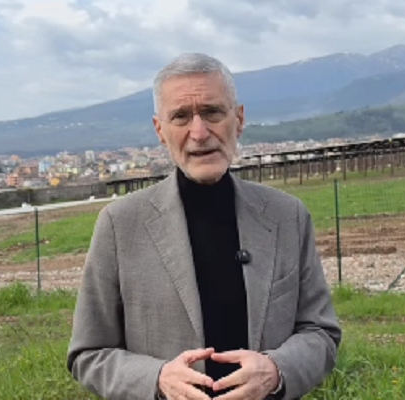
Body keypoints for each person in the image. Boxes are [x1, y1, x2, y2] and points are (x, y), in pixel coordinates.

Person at [67, 53, 341, 400]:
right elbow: (88, 354)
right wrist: (157, 380)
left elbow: (320, 333)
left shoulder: (288, 216)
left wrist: (276, 371)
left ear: (238, 119)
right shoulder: (120, 225)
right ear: (160, 130)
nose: (199, 133)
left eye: (212, 112)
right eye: (181, 116)